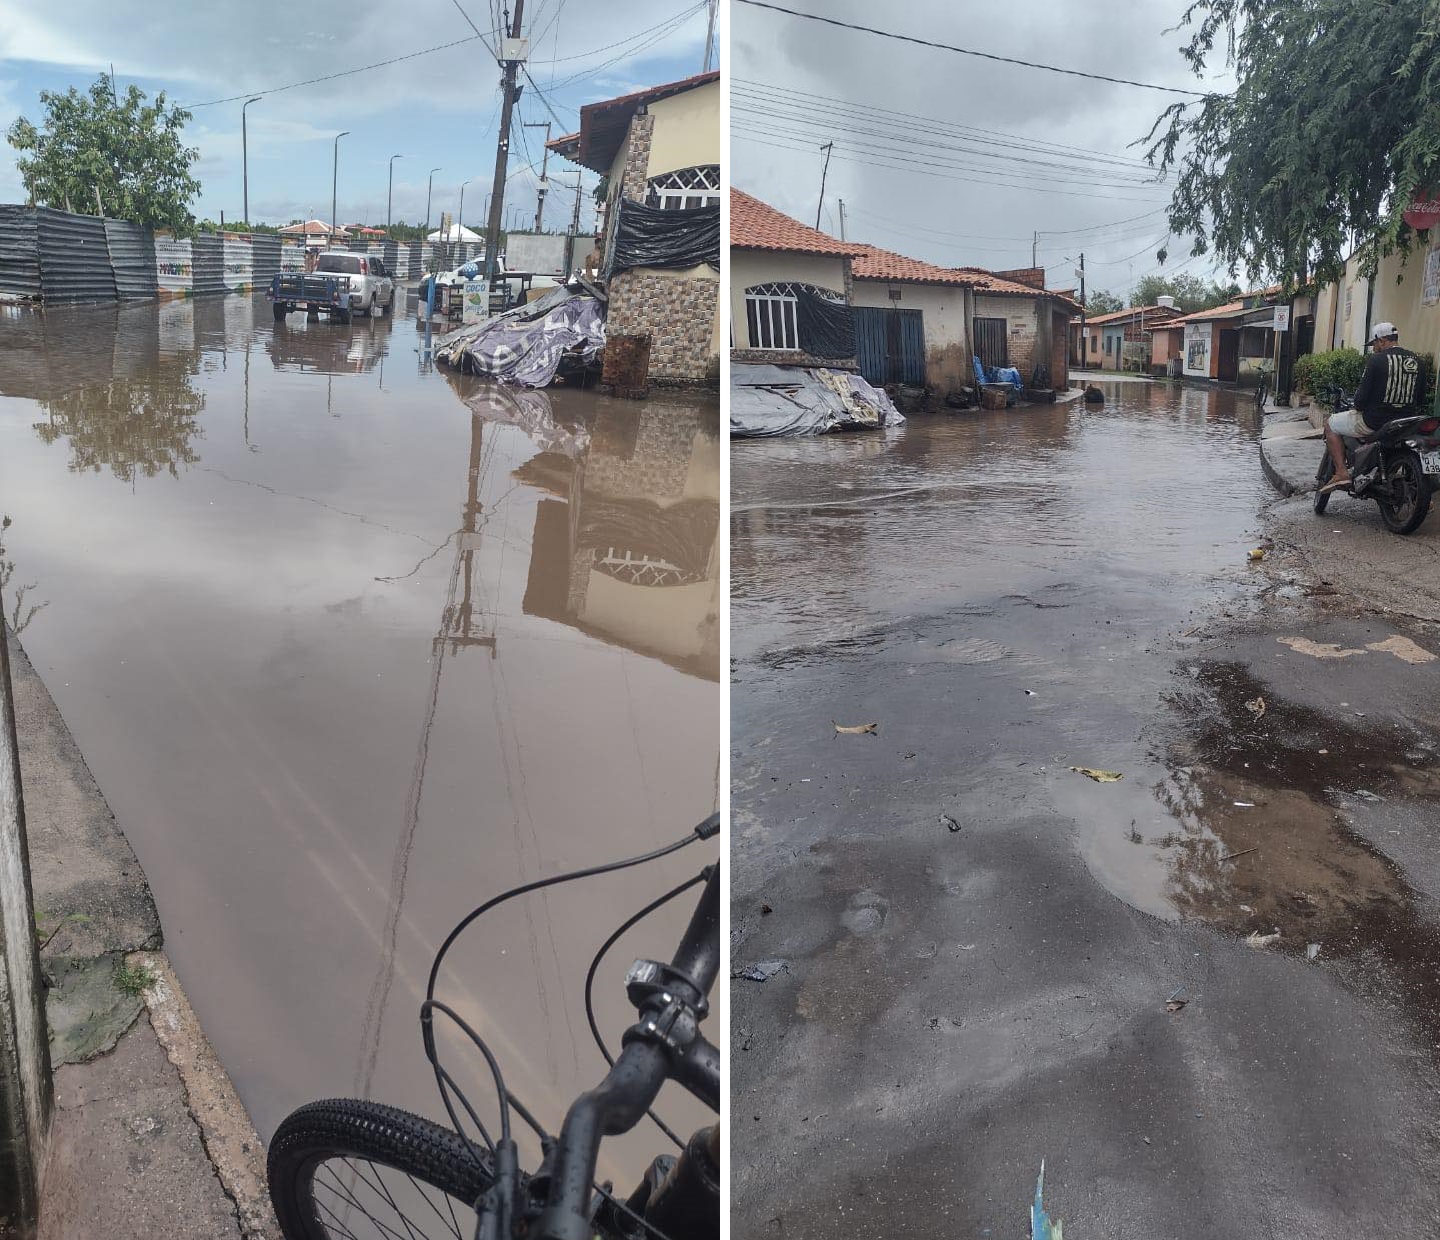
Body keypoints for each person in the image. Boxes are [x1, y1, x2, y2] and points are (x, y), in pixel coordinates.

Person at [1320, 322, 1424, 493]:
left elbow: (1360, 401)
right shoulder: (1418, 361)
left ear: (1382, 341)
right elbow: (1419, 399)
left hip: (1374, 422)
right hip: (1406, 422)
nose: (1373, 349)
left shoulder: (1376, 361)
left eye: (1374, 344)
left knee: (1330, 423)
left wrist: (1361, 404)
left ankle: (1341, 473)